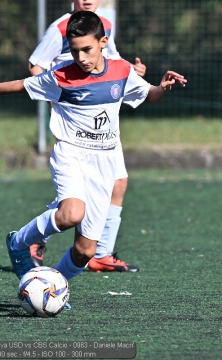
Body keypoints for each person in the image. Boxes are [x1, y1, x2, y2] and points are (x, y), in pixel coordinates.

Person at [0, 11, 185, 293]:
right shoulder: (61, 76)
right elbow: (21, 85)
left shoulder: (121, 70)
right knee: (72, 213)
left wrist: (162, 87)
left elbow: (147, 95)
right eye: (74, 51)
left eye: (87, 49)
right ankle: (18, 242)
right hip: (71, 153)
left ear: (103, 43)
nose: (81, 57)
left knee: (84, 252)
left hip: (105, 160)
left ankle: (51, 287)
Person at [28, 0, 145, 272]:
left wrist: (134, 73)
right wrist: (58, 99)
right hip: (78, 122)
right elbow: (36, 65)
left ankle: (100, 252)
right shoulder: (60, 28)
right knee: (74, 202)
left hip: (103, 123)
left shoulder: (105, 25)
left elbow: (112, 62)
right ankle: (38, 238)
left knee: (119, 183)